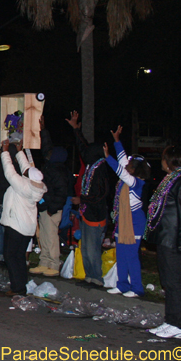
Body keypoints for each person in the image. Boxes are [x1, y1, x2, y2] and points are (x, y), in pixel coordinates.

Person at [145, 146, 181, 339]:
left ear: (171, 161)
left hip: (175, 240)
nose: (162, 162)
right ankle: (170, 321)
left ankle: (177, 324)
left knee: (174, 283)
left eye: (164, 158)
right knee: (167, 281)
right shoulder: (170, 181)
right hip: (166, 238)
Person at [67, 110, 112, 287]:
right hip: (86, 213)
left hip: (96, 214)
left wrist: (82, 199)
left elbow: (101, 194)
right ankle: (89, 276)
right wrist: (76, 130)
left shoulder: (101, 170)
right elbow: (83, 147)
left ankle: (97, 278)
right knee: (85, 246)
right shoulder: (92, 166)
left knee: (93, 248)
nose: (85, 154)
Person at [104, 125, 150, 297]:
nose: (127, 165)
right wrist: (117, 141)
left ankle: (137, 288)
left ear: (136, 169)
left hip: (134, 222)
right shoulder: (129, 177)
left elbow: (121, 171)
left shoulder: (136, 182)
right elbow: (122, 162)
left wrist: (108, 157)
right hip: (122, 221)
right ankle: (122, 285)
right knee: (121, 255)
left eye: (130, 165)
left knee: (131, 256)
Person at [0, 140, 47, 295]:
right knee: (19, 256)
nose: (25, 171)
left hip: (16, 225)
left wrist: (5, 152)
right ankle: (21, 286)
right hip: (27, 227)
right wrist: (20, 151)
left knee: (10, 256)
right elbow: (27, 168)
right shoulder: (35, 185)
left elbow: (9, 172)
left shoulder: (23, 185)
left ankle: (17, 288)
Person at [30, 117, 72, 277]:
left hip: (51, 209)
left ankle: (54, 264)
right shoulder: (51, 167)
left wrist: (52, 208)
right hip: (45, 206)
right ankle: (44, 262)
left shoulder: (59, 172)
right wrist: (43, 130)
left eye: (50, 154)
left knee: (51, 236)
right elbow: (46, 146)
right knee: (45, 236)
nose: (47, 155)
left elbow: (61, 194)